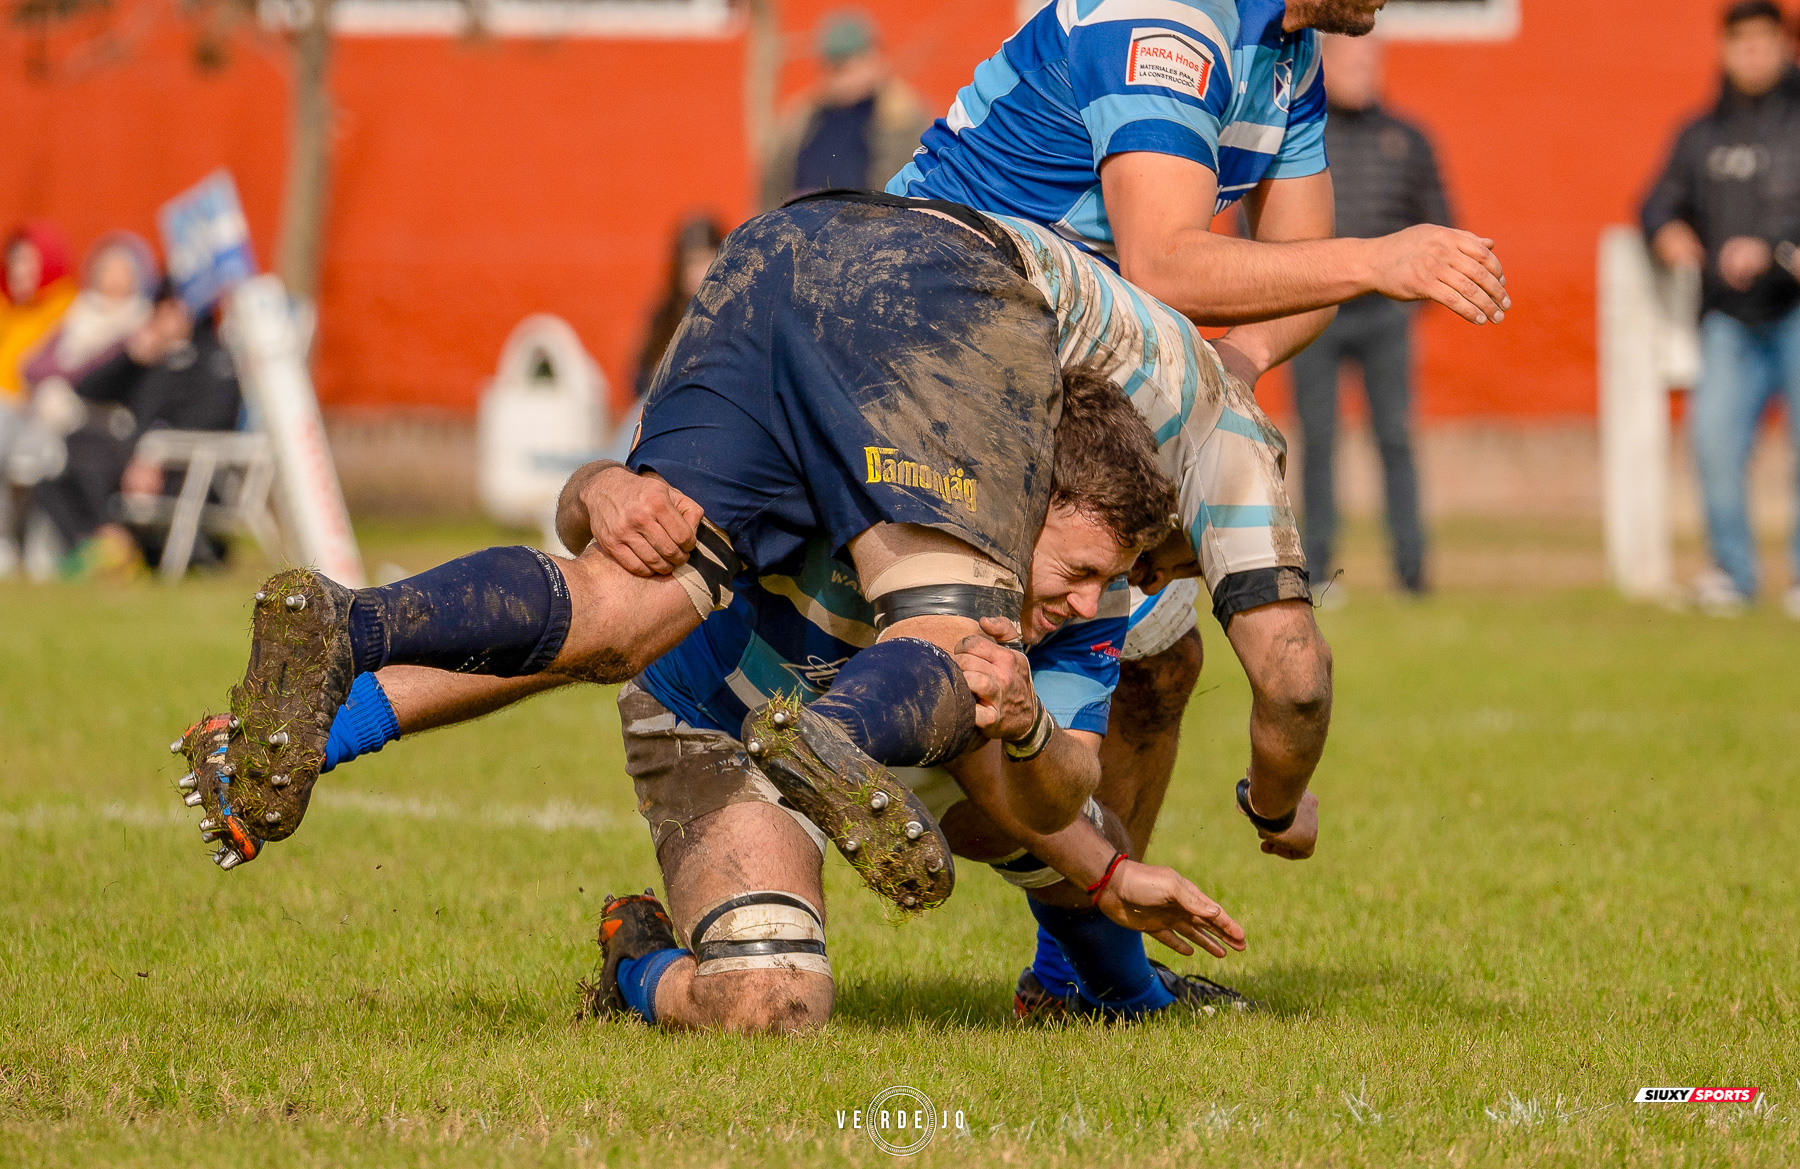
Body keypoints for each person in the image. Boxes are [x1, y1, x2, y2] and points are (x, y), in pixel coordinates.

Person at [174, 194, 1329, 931]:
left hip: (773, 259)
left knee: (627, 599)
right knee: (954, 640)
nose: (1117, 594)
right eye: (1135, 571)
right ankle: (836, 736)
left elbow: (601, 517)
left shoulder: (1046, 463)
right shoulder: (1212, 436)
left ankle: (351, 624)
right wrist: (1275, 807)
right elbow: (1292, 672)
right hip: (923, 280)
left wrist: (592, 488)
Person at [288, 373, 1256, 1032]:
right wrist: (605, 484)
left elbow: (1041, 785)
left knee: (1050, 777)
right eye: (1082, 567)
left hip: (900, 750)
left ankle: (1120, 996)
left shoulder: (1091, 597)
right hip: (723, 732)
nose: (1093, 602)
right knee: (769, 1004)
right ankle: (638, 967)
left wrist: (1052, 764)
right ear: (1013, 500)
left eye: (1114, 576)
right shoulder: (836, 475)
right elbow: (581, 601)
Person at [886, 0, 1509, 870]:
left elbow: (1301, 266)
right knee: (991, 675)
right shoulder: (1171, 17)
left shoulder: (1287, 55)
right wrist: (1379, 259)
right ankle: (824, 764)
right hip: (932, 349)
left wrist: (1235, 364)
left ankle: (1086, 973)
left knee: (1158, 667)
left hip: (1075, 377)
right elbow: (1165, 262)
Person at [1643, 0, 1800, 616]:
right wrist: (1669, 233)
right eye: (1741, 43)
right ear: (1726, 50)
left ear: (1784, 47)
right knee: (1713, 442)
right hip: (1729, 317)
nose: (1753, 54)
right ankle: (1734, 573)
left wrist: (1776, 250)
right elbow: (1657, 203)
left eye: (1764, 42)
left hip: (1794, 309)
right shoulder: (1700, 133)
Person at [1289, 33, 1450, 600]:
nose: (1362, 70)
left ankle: (1411, 571)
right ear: (1325, 66)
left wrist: (1414, 295)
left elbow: (1440, 224)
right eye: (1350, 61)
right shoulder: (1300, 135)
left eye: (1369, 60)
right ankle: (1316, 571)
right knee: (1318, 440)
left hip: (1387, 318)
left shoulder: (1407, 140)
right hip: (1316, 311)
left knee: (1396, 438)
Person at [33, 283, 243, 578]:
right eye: (162, 308)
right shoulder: (150, 362)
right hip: (135, 461)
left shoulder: (214, 361)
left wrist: (154, 455)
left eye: (175, 308)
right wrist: (129, 358)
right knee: (62, 466)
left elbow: (213, 418)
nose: (167, 317)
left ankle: (114, 549)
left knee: (92, 455)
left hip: (188, 468)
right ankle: (108, 541)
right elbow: (85, 389)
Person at [758, 9, 930, 209]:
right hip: (804, 229)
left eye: (846, 66)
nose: (839, 78)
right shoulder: (804, 119)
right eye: (831, 68)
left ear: (874, 59)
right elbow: (772, 189)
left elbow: (918, 194)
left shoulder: (903, 118)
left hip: (874, 231)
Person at [0, 221, 78, 575]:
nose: (19, 273)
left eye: (28, 263)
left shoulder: (66, 308)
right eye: (14, 263)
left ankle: (17, 542)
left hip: (42, 414)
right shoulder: (7, 311)